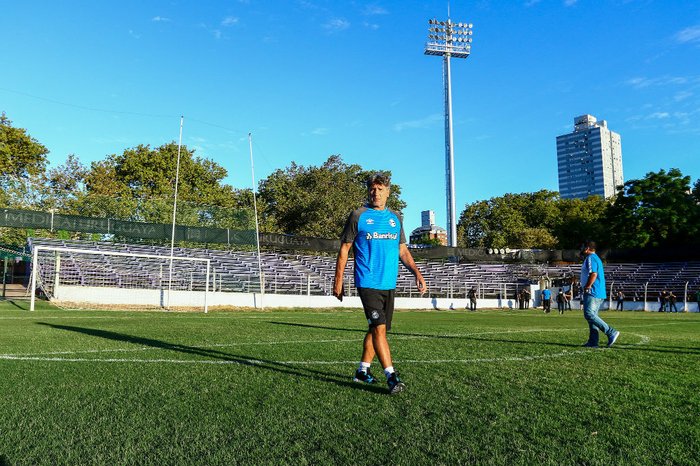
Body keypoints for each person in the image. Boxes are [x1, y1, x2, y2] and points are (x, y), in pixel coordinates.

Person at [333, 173, 426, 395]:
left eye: (380, 189)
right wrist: (338, 280)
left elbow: (402, 250)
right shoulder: (358, 216)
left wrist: (417, 272)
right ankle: (391, 377)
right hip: (367, 281)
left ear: (388, 192)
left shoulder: (396, 218)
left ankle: (362, 372)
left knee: (376, 329)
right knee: (379, 328)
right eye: (372, 189)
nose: (376, 193)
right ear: (368, 191)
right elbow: (345, 248)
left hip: (388, 283)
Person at [580, 240, 620, 348]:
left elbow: (593, 274)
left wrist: (587, 286)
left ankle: (611, 332)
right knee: (592, 317)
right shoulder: (595, 258)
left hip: (593, 291)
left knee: (588, 314)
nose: (582, 248)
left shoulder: (591, 258)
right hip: (597, 291)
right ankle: (593, 342)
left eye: (583, 246)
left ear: (587, 248)